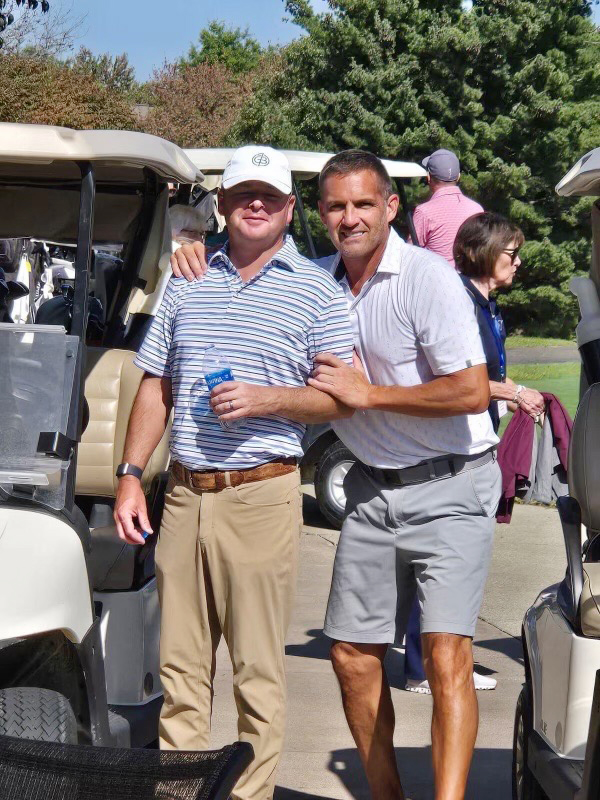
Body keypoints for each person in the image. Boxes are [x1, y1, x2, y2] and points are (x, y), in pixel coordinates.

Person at [171, 150, 502, 800]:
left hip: (454, 480)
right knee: (351, 656)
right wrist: (189, 238)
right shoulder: (318, 281)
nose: (350, 217)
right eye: (337, 206)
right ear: (318, 215)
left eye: (362, 204)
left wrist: (370, 394)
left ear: (390, 208)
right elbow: (244, 248)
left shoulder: (427, 279)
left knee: (443, 653)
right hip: (375, 487)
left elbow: (469, 391)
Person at [113, 145, 355, 800]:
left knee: (256, 674)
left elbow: (342, 396)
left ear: (289, 209)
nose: (256, 204)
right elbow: (155, 384)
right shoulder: (187, 278)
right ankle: (177, 794)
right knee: (182, 671)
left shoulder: (318, 293)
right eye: (244, 193)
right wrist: (133, 474)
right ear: (221, 204)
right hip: (186, 495)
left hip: (261, 493)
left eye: (269, 197)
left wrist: (269, 398)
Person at [403, 212, 545, 696]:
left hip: (475, 446)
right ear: (485, 254)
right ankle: (425, 667)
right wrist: (516, 391)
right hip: (452, 454)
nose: (519, 262)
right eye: (511, 253)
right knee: (447, 564)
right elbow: (458, 378)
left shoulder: (485, 304)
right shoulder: (458, 302)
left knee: (456, 566)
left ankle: (444, 662)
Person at [412, 148, 483, 267]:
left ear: (429, 177)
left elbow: (412, 253)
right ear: (458, 177)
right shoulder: (477, 209)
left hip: (436, 282)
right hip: (468, 283)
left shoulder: (424, 212)